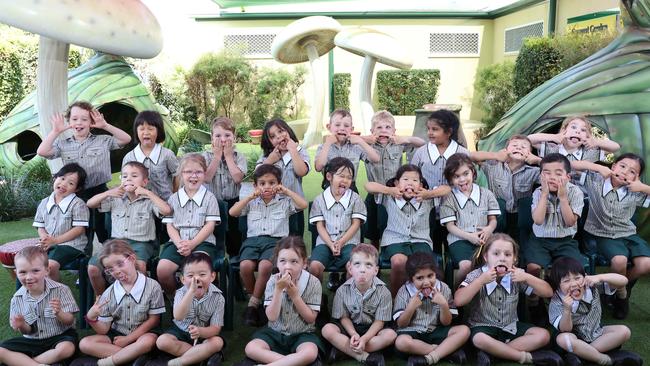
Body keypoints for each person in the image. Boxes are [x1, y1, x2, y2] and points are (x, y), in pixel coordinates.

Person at [454, 234, 560, 366]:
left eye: (508, 255)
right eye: (496, 254)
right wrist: (480, 281)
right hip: (482, 328)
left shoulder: (517, 275)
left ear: (514, 259)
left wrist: (527, 277)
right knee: (479, 339)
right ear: (486, 257)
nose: (502, 258)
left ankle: (494, 353)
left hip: (510, 327)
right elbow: (458, 300)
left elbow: (548, 292)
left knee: (543, 335)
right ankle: (525, 357)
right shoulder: (477, 275)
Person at [37, 101, 132, 243]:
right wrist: (56, 131)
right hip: (75, 196)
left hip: (100, 193)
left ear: (91, 122)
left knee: (106, 233)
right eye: (74, 119)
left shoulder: (103, 141)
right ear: (69, 121)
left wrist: (105, 125)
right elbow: (42, 151)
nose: (79, 123)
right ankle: (83, 261)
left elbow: (126, 139)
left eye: (84, 119)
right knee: (82, 235)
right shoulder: (63, 144)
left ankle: (108, 260)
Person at [572, 154, 650, 319]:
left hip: (628, 233)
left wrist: (644, 188)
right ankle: (621, 297)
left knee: (645, 264)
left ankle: (619, 287)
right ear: (613, 166)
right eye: (622, 166)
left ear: (636, 178)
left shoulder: (635, 192)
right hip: (602, 233)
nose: (625, 172)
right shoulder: (595, 181)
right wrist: (599, 168)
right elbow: (571, 164)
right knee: (619, 260)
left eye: (632, 171)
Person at [229, 164, 308, 326]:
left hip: (276, 242)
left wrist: (286, 191)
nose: (267, 187)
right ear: (256, 185)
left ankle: (252, 306)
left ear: (278, 184)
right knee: (245, 266)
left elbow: (303, 205)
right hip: (252, 242)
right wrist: (250, 197)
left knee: (265, 266)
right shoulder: (251, 202)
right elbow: (233, 212)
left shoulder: (284, 201)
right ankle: (257, 299)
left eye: (272, 183)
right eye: (262, 183)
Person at [86, 161, 172, 295]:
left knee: (139, 266)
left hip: (141, 243)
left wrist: (148, 193)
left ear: (144, 182)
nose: (128, 179)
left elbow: (166, 210)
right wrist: (108, 193)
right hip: (116, 244)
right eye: (125, 176)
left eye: (134, 176)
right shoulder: (115, 198)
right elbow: (90, 204)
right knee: (92, 267)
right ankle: (101, 299)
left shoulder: (149, 200)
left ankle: (140, 297)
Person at [236, 236, 323, 366]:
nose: (288, 266)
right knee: (251, 348)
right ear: (277, 262)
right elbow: (271, 317)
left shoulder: (313, 283)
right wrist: (278, 290)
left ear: (304, 263)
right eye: (283, 261)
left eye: (294, 261)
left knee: (310, 353)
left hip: (302, 334)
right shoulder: (273, 281)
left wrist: (295, 296)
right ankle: (294, 362)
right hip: (274, 332)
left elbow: (311, 318)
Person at [365, 164, 450, 295]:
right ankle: (396, 299)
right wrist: (390, 190)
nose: (410, 183)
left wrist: (429, 194)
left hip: (421, 240)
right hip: (394, 239)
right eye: (405, 180)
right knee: (399, 261)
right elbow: (368, 186)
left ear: (421, 184)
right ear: (397, 183)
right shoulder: (389, 197)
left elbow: (447, 189)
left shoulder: (427, 198)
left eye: (415, 180)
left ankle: (421, 298)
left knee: (423, 265)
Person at [77, 240, 164, 366]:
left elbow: (154, 320)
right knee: (85, 343)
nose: (116, 271)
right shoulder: (109, 293)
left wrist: (128, 339)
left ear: (132, 259)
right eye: (110, 269)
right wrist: (91, 318)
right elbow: (104, 330)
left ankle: (112, 361)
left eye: (120, 264)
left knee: (148, 341)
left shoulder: (152, 286)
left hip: (143, 334)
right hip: (117, 336)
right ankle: (133, 357)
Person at [548, 257, 642, 366]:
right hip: (573, 339)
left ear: (585, 277)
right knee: (563, 339)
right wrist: (567, 310)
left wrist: (599, 277)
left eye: (577, 278)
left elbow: (623, 281)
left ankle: (583, 356)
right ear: (558, 285)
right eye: (566, 281)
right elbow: (565, 329)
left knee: (624, 331)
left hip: (595, 335)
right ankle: (602, 359)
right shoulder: (557, 301)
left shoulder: (591, 286)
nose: (573, 284)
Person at [527, 153, 585, 320]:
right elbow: (538, 220)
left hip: (565, 240)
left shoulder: (575, 193)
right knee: (533, 267)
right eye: (547, 173)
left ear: (567, 177)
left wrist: (563, 198)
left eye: (558, 173)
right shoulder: (538, 192)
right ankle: (534, 301)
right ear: (540, 176)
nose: (552, 177)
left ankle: (568, 302)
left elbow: (569, 222)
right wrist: (544, 195)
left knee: (575, 268)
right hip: (540, 239)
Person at [0, 246, 78, 366]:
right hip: (32, 340)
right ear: (16, 273)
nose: (29, 277)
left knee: (67, 348)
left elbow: (69, 321)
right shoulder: (17, 299)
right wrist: (21, 325)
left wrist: (59, 313)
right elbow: (28, 331)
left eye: (35, 271)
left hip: (60, 336)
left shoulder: (61, 290)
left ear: (47, 270)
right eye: (23, 272)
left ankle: (23, 362)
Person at [158, 153, 221, 297]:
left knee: (198, 270)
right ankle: (177, 300)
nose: (194, 176)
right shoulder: (173, 199)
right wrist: (179, 243)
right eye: (188, 172)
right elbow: (170, 225)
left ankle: (199, 302)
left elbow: (209, 226)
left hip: (202, 242)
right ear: (181, 174)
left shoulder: (210, 198)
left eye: (198, 172)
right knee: (163, 270)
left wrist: (192, 244)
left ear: (204, 174)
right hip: (177, 242)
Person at [321, 244, 397, 366]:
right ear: (350, 268)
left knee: (390, 335)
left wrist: (364, 338)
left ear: (375, 270)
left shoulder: (384, 292)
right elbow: (343, 318)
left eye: (368, 265)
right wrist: (354, 334)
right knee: (327, 330)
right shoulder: (342, 290)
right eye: (357, 264)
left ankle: (345, 351)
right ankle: (366, 356)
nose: (362, 269)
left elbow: (379, 322)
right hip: (350, 329)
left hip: (372, 330)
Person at [361, 110, 425, 247]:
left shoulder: (398, 144)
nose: (383, 131)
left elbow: (422, 144)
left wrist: (406, 138)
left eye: (388, 127)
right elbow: (351, 140)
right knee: (373, 231)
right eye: (379, 128)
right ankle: (374, 260)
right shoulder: (366, 146)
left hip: (395, 194)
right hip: (375, 194)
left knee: (390, 227)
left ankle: (388, 252)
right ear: (372, 130)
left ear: (394, 131)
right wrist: (365, 139)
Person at [393, 252, 469, 366]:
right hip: (413, 332)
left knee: (464, 330)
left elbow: (447, 322)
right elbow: (401, 324)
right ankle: (444, 352)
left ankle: (429, 356)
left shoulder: (444, 288)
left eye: (430, 276)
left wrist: (443, 304)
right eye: (419, 278)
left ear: (435, 274)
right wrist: (411, 307)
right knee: (401, 342)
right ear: (411, 279)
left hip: (436, 331)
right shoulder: (404, 291)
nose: (426, 282)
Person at [440, 153, 500, 285]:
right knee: (466, 266)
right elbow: (450, 226)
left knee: (494, 264)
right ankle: (459, 295)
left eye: (465, 174)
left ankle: (486, 297)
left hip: (485, 239)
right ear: (450, 179)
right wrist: (469, 236)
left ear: (472, 172)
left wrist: (489, 229)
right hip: (460, 240)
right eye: (456, 176)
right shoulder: (449, 198)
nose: (462, 180)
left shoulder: (486, 193)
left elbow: (493, 219)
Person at [156, 252, 225, 366]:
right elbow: (178, 316)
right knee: (162, 342)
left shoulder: (218, 297)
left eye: (202, 274)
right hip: (180, 331)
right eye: (190, 276)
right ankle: (200, 356)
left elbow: (215, 328)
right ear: (182, 279)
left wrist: (201, 332)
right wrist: (191, 292)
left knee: (217, 342)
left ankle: (181, 361)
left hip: (204, 333)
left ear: (212, 276)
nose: (196, 279)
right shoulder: (180, 293)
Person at [470, 134, 540, 243]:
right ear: (506, 150)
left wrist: (538, 160)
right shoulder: (493, 166)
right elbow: (470, 156)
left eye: (524, 147)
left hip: (520, 216)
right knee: (499, 203)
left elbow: (553, 171)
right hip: (498, 215)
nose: (519, 148)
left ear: (530, 153)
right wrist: (495, 155)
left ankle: (523, 249)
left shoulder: (533, 171)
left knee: (526, 203)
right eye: (514, 145)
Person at [122, 110, 179, 244]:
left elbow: (177, 175)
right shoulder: (130, 157)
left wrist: (175, 195)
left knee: (165, 238)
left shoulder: (167, 155)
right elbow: (125, 181)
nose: (146, 132)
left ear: (158, 131)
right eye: (141, 129)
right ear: (136, 132)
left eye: (150, 129)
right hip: (140, 206)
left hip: (165, 203)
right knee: (146, 239)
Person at [309, 157, 367, 281]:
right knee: (314, 267)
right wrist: (331, 244)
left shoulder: (355, 198)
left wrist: (340, 242)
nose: (345, 180)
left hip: (349, 242)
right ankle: (316, 298)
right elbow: (320, 226)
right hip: (325, 242)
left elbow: (355, 224)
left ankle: (347, 297)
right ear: (329, 176)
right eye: (341, 176)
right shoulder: (319, 200)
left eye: (349, 177)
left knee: (353, 268)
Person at [33, 163, 89, 281]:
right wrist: (45, 239)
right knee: (27, 261)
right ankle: (31, 295)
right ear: (55, 178)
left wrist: (55, 241)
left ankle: (57, 296)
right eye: (62, 178)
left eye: (71, 183)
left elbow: (79, 229)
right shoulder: (44, 202)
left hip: (71, 246)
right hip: (50, 244)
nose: (64, 184)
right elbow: (40, 226)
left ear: (77, 189)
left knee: (50, 266)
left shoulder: (78, 204)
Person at [528, 116, 619, 187]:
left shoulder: (588, 153)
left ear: (587, 137)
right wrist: (554, 137)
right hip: (553, 192)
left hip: (581, 197)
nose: (577, 132)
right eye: (573, 127)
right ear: (564, 131)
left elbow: (615, 147)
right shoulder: (553, 149)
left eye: (583, 130)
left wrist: (595, 142)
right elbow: (529, 140)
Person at [203, 116, 247, 256]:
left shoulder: (238, 156)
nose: (223, 139)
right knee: (215, 238)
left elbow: (238, 178)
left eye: (227, 135)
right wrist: (216, 157)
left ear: (234, 137)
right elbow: (207, 178)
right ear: (211, 138)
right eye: (218, 135)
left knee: (234, 238)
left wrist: (228, 157)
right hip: (212, 203)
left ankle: (235, 270)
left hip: (233, 203)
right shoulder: (205, 156)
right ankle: (216, 268)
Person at [258, 118, 310, 236]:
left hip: (295, 208)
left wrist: (292, 150)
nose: (278, 136)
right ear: (269, 142)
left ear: (289, 131)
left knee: (295, 241)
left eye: (281, 131)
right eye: (273, 136)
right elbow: (257, 175)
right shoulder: (267, 156)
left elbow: (301, 171)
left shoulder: (300, 152)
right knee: (275, 241)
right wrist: (269, 161)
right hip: (273, 207)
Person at [314, 109, 380, 183]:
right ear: (329, 127)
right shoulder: (323, 147)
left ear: (351, 129)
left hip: (350, 186)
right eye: (337, 125)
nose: (342, 128)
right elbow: (318, 167)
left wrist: (361, 141)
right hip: (329, 186)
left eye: (346, 126)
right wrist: (327, 144)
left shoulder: (356, 147)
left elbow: (376, 159)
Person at [410, 109, 469, 191]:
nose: (430, 133)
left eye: (435, 129)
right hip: (426, 201)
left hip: (454, 202)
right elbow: (411, 177)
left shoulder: (462, 153)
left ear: (449, 132)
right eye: (428, 129)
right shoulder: (421, 153)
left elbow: (469, 181)